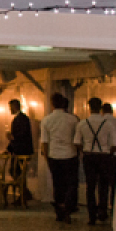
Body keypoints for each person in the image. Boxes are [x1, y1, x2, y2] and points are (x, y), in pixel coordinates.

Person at [74, 99, 116, 226]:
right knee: (103, 185)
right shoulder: (108, 124)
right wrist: (109, 153)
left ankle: (91, 216)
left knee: (90, 186)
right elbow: (115, 144)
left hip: (89, 156)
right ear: (100, 108)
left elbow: (77, 142)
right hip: (104, 156)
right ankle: (102, 211)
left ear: (89, 108)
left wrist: (84, 151)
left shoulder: (82, 124)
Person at [41, 93, 80, 223]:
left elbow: (44, 142)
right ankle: (68, 207)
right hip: (70, 155)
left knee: (57, 184)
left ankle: (59, 209)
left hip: (54, 155)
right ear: (63, 103)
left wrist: (46, 157)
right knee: (71, 184)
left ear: (52, 104)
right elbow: (77, 139)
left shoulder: (46, 120)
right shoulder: (73, 120)